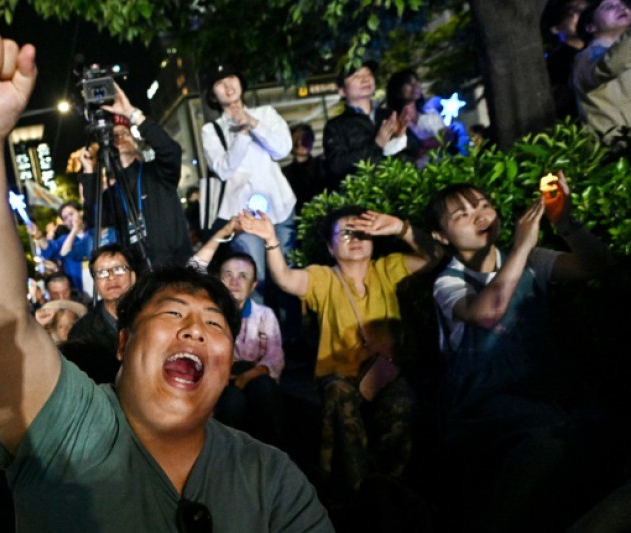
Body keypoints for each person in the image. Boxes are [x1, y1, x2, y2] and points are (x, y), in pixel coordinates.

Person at [0, 29, 333, 531]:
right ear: (123, 341)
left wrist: (132, 119)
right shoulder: (66, 431)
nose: (195, 330)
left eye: (215, 323)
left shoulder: (272, 477)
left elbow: (168, 152)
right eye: (172, 313)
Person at [424, 174, 611, 531]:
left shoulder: (531, 259)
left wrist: (565, 223)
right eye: (462, 214)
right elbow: (486, 313)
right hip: (483, 402)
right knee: (549, 440)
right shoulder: (449, 282)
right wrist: (522, 247)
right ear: (441, 236)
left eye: (483, 205)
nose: (480, 215)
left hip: (545, 385)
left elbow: (596, 265)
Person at [239, 205, 442, 497]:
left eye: (362, 233)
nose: (355, 239)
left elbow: (434, 256)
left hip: (385, 374)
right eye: (345, 234)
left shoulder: (387, 269)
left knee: (403, 404)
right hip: (339, 376)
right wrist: (271, 239)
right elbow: (285, 278)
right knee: (339, 396)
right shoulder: (323, 278)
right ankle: (357, 492)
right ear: (330, 247)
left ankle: (390, 488)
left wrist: (401, 228)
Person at [200, 64, 297, 301]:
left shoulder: (265, 114)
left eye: (231, 77)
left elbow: (282, 149)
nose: (228, 85)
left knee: (286, 276)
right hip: (242, 216)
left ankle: (290, 325)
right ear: (213, 94)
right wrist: (242, 135)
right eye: (220, 83)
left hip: (280, 208)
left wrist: (252, 123)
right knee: (253, 280)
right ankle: (256, 324)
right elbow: (223, 169)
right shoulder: (211, 130)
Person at [189, 220, 286, 447]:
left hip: (253, 376)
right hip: (218, 379)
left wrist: (246, 377)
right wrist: (223, 233)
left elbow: (274, 358)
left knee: (264, 389)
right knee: (231, 402)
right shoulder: (208, 314)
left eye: (243, 276)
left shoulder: (264, 315)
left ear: (253, 285)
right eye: (228, 274)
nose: (234, 281)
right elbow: (190, 271)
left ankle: (270, 455)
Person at [78, 84, 191, 268]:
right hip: (139, 276)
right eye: (114, 136)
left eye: (125, 133)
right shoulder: (112, 194)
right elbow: (93, 218)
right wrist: (89, 172)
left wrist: (132, 113)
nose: (120, 138)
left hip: (177, 269)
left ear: (136, 144)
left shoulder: (157, 173)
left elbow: (170, 150)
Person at [322, 61, 410, 184]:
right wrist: (376, 144)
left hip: (399, 186)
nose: (365, 79)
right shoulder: (336, 126)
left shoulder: (389, 115)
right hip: (364, 191)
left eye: (369, 74)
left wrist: (400, 137)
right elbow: (336, 166)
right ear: (342, 91)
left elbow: (413, 153)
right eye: (356, 76)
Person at [61, 243, 137, 382]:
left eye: (119, 269)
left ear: (133, 276)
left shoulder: (154, 318)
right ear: (95, 283)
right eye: (102, 272)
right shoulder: (82, 333)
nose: (111, 277)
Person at [572, 0, 631, 148]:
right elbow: (608, 66)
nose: (621, 8)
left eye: (623, 5)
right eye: (609, 7)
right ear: (590, 27)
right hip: (616, 151)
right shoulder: (585, 58)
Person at [27, 201, 93, 295]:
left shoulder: (94, 233)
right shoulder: (64, 240)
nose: (69, 219)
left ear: (81, 213)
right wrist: (38, 235)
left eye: (71, 214)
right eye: (65, 218)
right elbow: (50, 249)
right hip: (81, 292)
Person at [543, 0, 589, 119]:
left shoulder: (600, 49)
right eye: (573, 11)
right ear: (556, 28)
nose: (582, 15)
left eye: (585, 10)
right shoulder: (556, 62)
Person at [283, 123, 331, 206]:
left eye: (305, 139)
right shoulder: (285, 173)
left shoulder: (323, 165)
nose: (300, 143)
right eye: (296, 139)